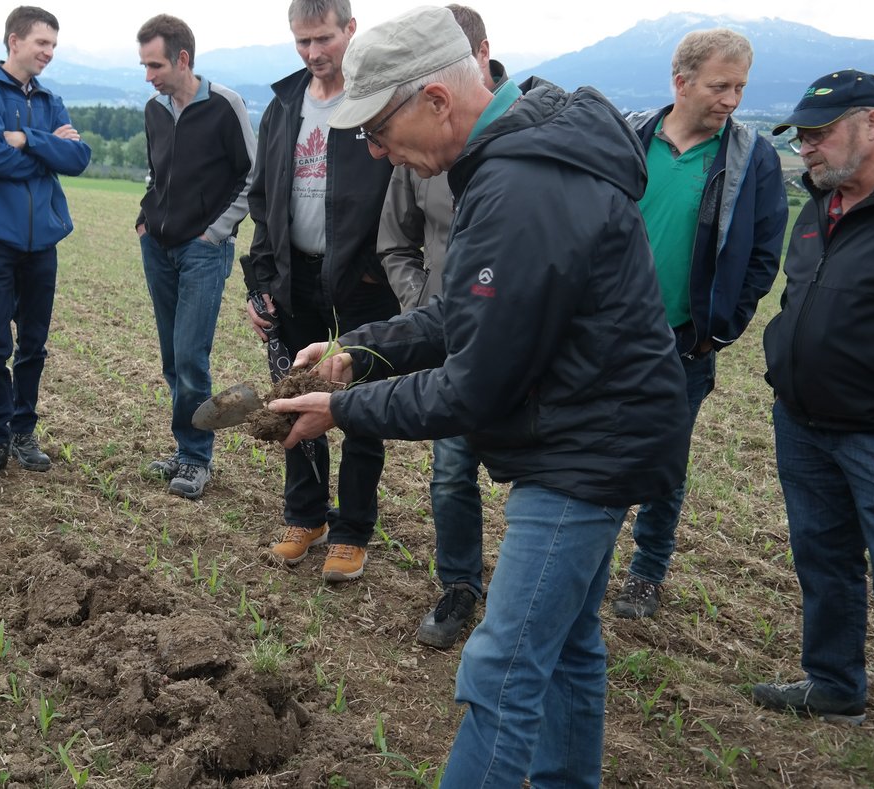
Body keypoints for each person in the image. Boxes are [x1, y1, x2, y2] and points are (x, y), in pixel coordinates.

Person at [270, 7, 689, 783]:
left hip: (585, 449)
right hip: (597, 428)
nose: (375, 150)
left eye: (379, 129)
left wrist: (340, 409)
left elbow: (473, 385)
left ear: (436, 100)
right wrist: (359, 353)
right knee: (569, 648)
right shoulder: (515, 162)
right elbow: (464, 313)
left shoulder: (523, 187)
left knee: (501, 666)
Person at [614, 28, 787, 619]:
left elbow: (764, 254)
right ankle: (584, 556)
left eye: (740, 88)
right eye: (720, 86)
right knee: (590, 450)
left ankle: (647, 571)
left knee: (665, 462)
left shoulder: (750, 157)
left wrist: (721, 328)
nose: (731, 100)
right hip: (607, 334)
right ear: (681, 82)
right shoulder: (630, 137)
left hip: (683, 343)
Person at [243, 0, 396, 581]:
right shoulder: (284, 105)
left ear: (350, 30)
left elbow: (401, 187)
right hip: (296, 277)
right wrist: (260, 282)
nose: (313, 53)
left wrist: (378, 269)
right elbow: (263, 202)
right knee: (294, 396)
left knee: (360, 409)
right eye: (302, 41)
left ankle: (352, 529)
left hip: (363, 284)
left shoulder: (376, 98)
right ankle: (306, 516)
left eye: (324, 39)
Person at [751, 69, 874, 727]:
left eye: (820, 133)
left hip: (873, 433)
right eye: (799, 136)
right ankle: (834, 684)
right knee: (822, 557)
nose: (805, 147)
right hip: (801, 422)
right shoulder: (817, 209)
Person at [375, 3, 506, 649]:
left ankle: (532, 595)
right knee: (451, 472)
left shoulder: (518, 152)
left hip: (514, 344)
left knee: (534, 479)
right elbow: (396, 242)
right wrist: (420, 305)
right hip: (447, 337)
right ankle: (459, 585)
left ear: (479, 55)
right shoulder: (417, 153)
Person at [0, 5, 91, 484]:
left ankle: (23, 432)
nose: (49, 52)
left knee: (33, 345)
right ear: (14, 41)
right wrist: (47, 148)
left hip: (42, 244)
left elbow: (78, 157)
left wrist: (26, 138)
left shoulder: (50, 98)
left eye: (53, 45)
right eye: (41, 43)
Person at [136, 13, 256, 499]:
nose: (149, 76)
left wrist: (214, 233)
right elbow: (156, 172)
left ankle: (196, 458)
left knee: (190, 355)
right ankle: (185, 447)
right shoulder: (154, 109)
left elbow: (251, 176)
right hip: (157, 246)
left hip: (203, 251)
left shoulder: (226, 105)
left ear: (183, 58)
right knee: (172, 356)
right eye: (145, 66)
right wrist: (144, 218)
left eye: (156, 65)